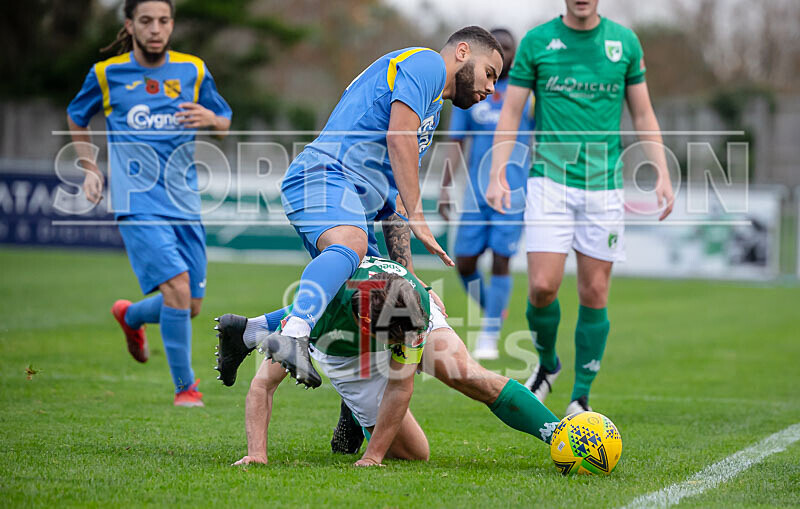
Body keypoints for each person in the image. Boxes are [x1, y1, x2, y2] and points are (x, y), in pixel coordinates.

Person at [257, 26, 505, 389]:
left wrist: (408, 276)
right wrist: (421, 218)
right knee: (353, 249)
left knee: (384, 299)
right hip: (324, 176)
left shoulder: (429, 109)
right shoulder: (427, 65)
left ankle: (250, 332)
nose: (492, 88)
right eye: (490, 73)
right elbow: (398, 138)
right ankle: (293, 334)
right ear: (463, 52)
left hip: (351, 200)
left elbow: (396, 201)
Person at [486, 0, 674, 415]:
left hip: (603, 188)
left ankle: (581, 394)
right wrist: (497, 170)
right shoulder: (537, 42)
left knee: (594, 291)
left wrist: (661, 170)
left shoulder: (623, 43)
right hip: (549, 181)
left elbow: (642, 113)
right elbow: (512, 110)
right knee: (542, 288)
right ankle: (548, 364)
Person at [213, 256, 561, 467]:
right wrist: (257, 453)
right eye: (396, 342)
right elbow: (263, 384)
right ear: (367, 324)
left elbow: (401, 383)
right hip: (345, 354)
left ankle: (560, 435)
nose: (404, 348)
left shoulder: (413, 305)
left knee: (467, 375)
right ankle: (353, 405)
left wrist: (373, 457)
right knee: (412, 454)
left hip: (409, 314)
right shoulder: (314, 312)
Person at [66, 0, 232, 406]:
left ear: (171, 25)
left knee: (189, 304)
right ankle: (186, 388)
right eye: (146, 21)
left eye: (162, 21)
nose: (155, 29)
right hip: (137, 202)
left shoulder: (193, 70)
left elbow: (224, 122)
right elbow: (76, 115)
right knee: (176, 288)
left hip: (185, 201)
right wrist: (90, 167)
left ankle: (131, 315)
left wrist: (211, 121)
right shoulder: (106, 74)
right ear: (130, 25)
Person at [439, 28, 535, 360]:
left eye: (509, 49)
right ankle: (493, 306)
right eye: (499, 48)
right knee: (463, 263)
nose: (505, 55)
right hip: (476, 193)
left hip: (513, 191)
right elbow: (456, 142)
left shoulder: (527, 95)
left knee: (501, 260)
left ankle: (490, 333)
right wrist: (445, 185)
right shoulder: (470, 89)